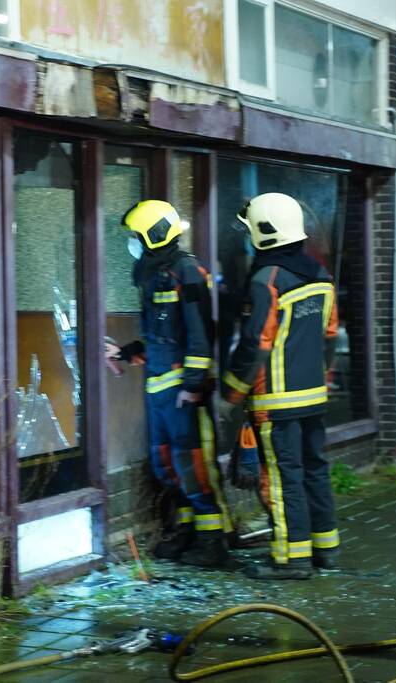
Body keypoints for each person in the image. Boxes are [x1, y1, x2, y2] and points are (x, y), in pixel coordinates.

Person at [216, 192, 341, 580]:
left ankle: (291, 559)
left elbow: (256, 344)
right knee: (315, 470)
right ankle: (326, 550)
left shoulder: (266, 280)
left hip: (276, 401)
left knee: (283, 478)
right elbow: (331, 333)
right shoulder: (320, 275)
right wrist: (324, 377)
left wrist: (231, 393)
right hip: (314, 397)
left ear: (263, 232)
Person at [107, 200, 232, 568]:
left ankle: (213, 541)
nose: (132, 242)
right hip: (158, 388)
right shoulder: (153, 274)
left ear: (154, 234)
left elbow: (199, 334)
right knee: (167, 466)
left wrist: (192, 385)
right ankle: (187, 530)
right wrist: (125, 353)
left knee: (192, 465)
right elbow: (160, 336)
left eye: (136, 235)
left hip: (180, 391)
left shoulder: (187, 272)